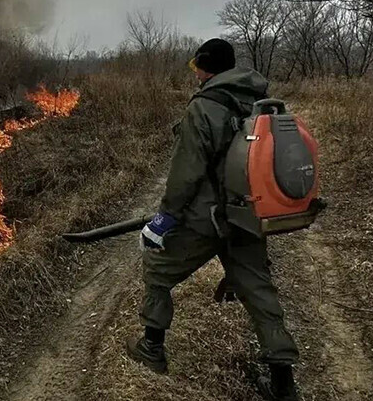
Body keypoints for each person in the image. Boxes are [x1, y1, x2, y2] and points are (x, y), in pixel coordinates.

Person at [126, 38, 300, 401]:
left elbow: (186, 172)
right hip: (247, 214)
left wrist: (166, 218)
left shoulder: (203, 107)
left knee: (157, 268)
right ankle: (283, 382)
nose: (195, 74)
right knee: (259, 290)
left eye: (196, 67)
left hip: (206, 220)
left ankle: (151, 348)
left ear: (207, 68)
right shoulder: (258, 99)